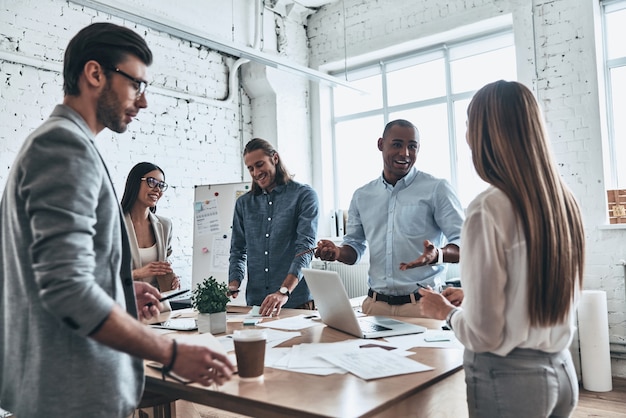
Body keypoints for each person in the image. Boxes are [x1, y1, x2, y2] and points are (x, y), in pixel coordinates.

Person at [0, 23, 233, 418]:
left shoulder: (63, 143)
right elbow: (67, 288)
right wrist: (171, 351)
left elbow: (63, 273)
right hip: (70, 394)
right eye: (136, 85)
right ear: (95, 74)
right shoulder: (64, 147)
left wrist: (121, 290)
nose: (142, 102)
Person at [419, 80, 585, 417]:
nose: (465, 135)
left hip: (511, 378)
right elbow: (536, 285)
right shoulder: (563, 201)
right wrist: (473, 298)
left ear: (485, 133)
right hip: (562, 370)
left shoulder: (487, 208)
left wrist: (446, 312)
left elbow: (484, 336)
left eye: (468, 124)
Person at [315, 119, 464, 317]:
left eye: (412, 146)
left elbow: (464, 243)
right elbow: (354, 248)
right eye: (397, 145)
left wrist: (438, 254)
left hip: (422, 307)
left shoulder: (437, 189)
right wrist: (337, 252)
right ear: (380, 144)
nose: (405, 153)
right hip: (375, 307)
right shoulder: (362, 195)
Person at [228, 138, 319, 317]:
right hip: (257, 305)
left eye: (260, 165)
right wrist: (234, 282)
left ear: (275, 158)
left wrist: (283, 291)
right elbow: (238, 250)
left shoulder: (304, 195)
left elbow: (305, 249)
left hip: (295, 302)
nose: (256, 172)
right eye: (250, 168)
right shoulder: (243, 204)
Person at [121, 162, 181, 299]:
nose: (157, 189)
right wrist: (138, 273)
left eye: (161, 185)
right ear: (135, 183)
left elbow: (164, 265)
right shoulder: (114, 224)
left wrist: (172, 279)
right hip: (123, 306)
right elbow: (102, 275)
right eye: (151, 182)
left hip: (156, 307)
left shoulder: (165, 225)